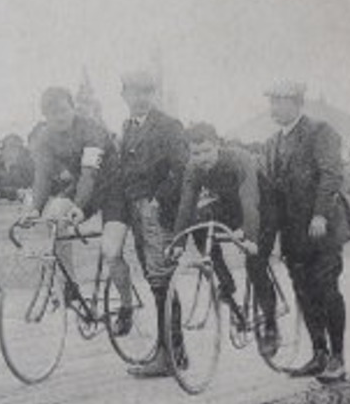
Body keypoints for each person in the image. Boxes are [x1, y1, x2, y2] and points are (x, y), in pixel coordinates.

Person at [260, 80, 350, 382]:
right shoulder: (273, 143)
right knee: (304, 292)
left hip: (322, 228)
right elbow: (273, 193)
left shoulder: (320, 131)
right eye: (272, 101)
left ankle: (338, 358)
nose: (274, 107)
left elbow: (331, 174)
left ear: (297, 103)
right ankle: (319, 354)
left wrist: (319, 214)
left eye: (280, 101)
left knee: (327, 289)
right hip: (293, 233)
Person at [104, 70, 189, 378]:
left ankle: (171, 355)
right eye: (134, 92)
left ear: (154, 94)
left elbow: (181, 169)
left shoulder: (169, 125)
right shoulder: (127, 127)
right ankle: (172, 351)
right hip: (134, 210)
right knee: (155, 280)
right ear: (124, 95)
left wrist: (157, 199)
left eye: (146, 92)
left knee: (161, 280)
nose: (140, 98)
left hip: (157, 212)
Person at [173, 122, 279, 353]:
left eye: (207, 151)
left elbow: (250, 199)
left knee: (255, 264)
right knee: (199, 221)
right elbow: (186, 205)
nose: (202, 158)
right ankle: (226, 282)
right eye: (196, 153)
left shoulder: (239, 159)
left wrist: (250, 237)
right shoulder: (193, 168)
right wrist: (178, 243)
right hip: (232, 205)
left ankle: (271, 326)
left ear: (218, 145)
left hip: (264, 206)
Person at [21, 86, 114, 302]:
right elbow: (42, 176)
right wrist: (35, 208)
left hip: (109, 184)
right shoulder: (45, 137)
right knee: (54, 215)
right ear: (45, 116)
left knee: (112, 246)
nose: (60, 117)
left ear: (73, 108)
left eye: (63, 110)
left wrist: (79, 206)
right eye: (53, 113)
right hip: (81, 183)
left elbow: (90, 173)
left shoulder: (90, 128)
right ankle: (70, 284)